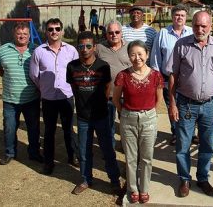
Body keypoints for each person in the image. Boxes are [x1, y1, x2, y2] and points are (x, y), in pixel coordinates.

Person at [165, 11, 213, 197]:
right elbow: (173, 76)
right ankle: (184, 179)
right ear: (191, 25)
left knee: (208, 145)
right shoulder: (181, 45)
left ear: (210, 26)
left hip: (210, 105)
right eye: (196, 25)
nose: (200, 29)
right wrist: (172, 103)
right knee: (183, 145)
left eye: (204, 26)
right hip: (186, 104)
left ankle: (202, 178)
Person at [67, 31, 121, 195]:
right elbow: (73, 88)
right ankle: (85, 179)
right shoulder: (72, 66)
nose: (85, 49)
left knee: (107, 150)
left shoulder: (103, 66)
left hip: (101, 116)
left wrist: (100, 104)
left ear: (94, 47)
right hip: (83, 118)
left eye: (88, 46)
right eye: (81, 46)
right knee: (84, 151)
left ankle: (114, 181)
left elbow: (107, 88)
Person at [113, 40, 163, 204]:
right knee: (131, 157)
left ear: (147, 55)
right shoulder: (123, 75)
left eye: (140, 54)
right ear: (129, 56)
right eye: (133, 54)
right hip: (128, 119)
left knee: (147, 157)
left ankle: (144, 189)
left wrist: (149, 113)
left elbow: (159, 99)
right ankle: (133, 189)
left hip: (149, 119)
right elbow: (115, 98)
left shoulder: (156, 75)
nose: (137, 58)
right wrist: (124, 112)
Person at [29, 18, 79, 175]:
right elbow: (34, 75)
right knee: (49, 131)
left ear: (62, 31)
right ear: (46, 31)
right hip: (49, 99)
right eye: (51, 29)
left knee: (68, 129)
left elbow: (76, 73)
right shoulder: (39, 52)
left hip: (66, 97)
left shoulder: (71, 51)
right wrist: (45, 88)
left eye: (57, 28)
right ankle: (49, 162)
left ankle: (73, 156)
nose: (54, 32)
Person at [0, 22, 42, 165]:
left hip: (31, 99)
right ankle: (10, 153)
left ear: (29, 35)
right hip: (10, 99)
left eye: (25, 34)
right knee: (9, 128)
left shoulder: (35, 50)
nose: (22, 36)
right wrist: (8, 77)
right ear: (14, 34)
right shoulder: (3, 49)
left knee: (33, 129)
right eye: (19, 33)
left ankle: (34, 153)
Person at [150, 4, 197, 146]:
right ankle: (176, 133)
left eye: (182, 15)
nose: (179, 18)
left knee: (189, 106)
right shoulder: (163, 33)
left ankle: (191, 133)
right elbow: (156, 57)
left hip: (188, 78)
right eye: (177, 15)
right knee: (172, 104)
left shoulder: (191, 32)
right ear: (172, 17)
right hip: (167, 78)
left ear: (186, 17)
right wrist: (158, 78)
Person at [96, 19, 132, 148]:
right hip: (108, 95)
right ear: (106, 34)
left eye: (117, 32)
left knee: (126, 124)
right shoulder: (99, 48)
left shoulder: (130, 47)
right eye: (110, 32)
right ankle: (109, 148)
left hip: (127, 94)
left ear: (121, 33)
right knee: (108, 124)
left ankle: (127, 146)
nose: (114, 35)